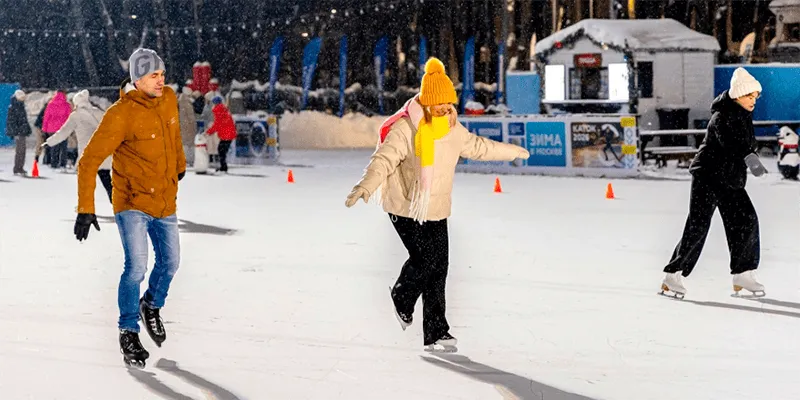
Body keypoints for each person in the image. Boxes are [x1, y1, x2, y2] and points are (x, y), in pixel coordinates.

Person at [344, 58, 530, 352]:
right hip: (405, 207)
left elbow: (479, 147)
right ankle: (401, 297)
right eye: (440, 104)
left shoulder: (453, 128)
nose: (446, 108)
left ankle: (436, 331)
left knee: (439, 268)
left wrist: (510, 152)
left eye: (449, 103)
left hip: (437, 208)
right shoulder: (406, 129)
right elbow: (384, 159)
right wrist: (366, 185)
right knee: (426, 261)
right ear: (427, 102)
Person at [73, 48, 186, 368]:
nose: (161, 80)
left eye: (162, 74)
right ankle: (128, 330)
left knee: (171, 263)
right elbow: (89, 161)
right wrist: (86, 207)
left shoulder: (168, 100)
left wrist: (179, 166)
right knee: (136, 267)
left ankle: (150, 304)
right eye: (154, 76)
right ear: (138, 79)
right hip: (132, 201)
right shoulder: (120, 114)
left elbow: (174, 133)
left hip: (165, 198)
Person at [660, 67, 767, 299]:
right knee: (698, 226)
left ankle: (743, 273)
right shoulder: (722, 115)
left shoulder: (743, 114)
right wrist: (749, 157)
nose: (753, 101)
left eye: (756, 96)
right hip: (708, 177)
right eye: (750, 96)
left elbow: (748, 143)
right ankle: (672, 275)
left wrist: (751, 153)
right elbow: (731, 144)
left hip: (730, 179)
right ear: (738, 94)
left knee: (746, 220)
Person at [43, 90, 113, 202]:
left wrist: (49, 141)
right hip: (102, 150)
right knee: (105, 177)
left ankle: (85, 206)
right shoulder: (97, 111)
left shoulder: (75, 116)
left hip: (88, 153)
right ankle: (117, 202)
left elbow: (63, 132)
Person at [206, 96, 237, 173]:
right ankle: (223, 166)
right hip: (228, 133)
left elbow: (217, 124)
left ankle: (223, 167)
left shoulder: (218, 110)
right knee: (222, 150)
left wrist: (209, 132)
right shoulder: (223, 109)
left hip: (226, 134)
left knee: (221, 150)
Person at [6, 90, 31, 176]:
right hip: (18, 133)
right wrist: (15, 132)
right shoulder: (13, 107)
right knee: (20, 151)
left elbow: (24, 120)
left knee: (22, 151)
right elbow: (11, 121)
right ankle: (17, 168)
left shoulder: (20, 106)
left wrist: (27, 129)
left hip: (22, 132)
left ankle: (20, 167)